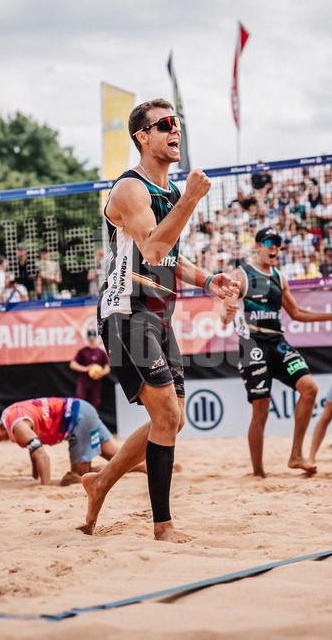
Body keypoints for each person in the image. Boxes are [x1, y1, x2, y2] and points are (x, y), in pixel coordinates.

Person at [81, 98, 239, 542]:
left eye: (178, 124)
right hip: (126, 310)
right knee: (167, 413)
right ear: (142, 137)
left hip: (158, 312)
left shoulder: (168, 192)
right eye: (165, 124)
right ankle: (162, 526)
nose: (175, 131)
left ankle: (99, 482)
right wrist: (190, 198)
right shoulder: (130, 188)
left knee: (172, 419)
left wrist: (207, 279)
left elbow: (167, 255)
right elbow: (151, 250)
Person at [219, 226, 332, 478]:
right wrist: (227, 315)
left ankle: (296, 456)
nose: (274, 248)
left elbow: (296, 313)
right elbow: (225, 313)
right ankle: (258, 473)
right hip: (252, 345)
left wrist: (331, 316)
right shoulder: (241, 274)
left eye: (277, 244)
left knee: (309, 388)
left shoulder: (279, 277)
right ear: (257, 247)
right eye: (269, 243)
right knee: (261, 410)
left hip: (278, 343)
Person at [0, 397, 144, 487]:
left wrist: (44, 487)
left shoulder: (16, 426)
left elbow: (42, 456)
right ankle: (147, 466)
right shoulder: (9, 416)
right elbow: (33, 448)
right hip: (81, 409)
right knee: (121, 457)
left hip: (78, 418)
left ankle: (139, 467)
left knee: (77, 476)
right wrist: (34, 477)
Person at [69, 328, 110, 408]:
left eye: (93, 336)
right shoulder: (83, 351)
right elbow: (72, 364)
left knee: (94, 403)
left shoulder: (100, 352)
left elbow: (107, 367)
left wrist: (101, 373)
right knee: (80, 401)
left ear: (95, 337)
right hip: (83, 381)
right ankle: (81, 415)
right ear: (88, 338)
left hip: (95, 382)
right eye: (90, 336)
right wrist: (86, 369)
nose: (92, 339)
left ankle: (92, 416)